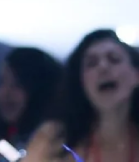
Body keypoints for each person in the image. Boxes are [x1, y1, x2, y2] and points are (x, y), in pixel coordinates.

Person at [22, 30, 139, 162]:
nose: (103, 67)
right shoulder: (52, 139)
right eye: (91, 63)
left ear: (136, 74)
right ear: (81, 82)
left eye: (114, 59)